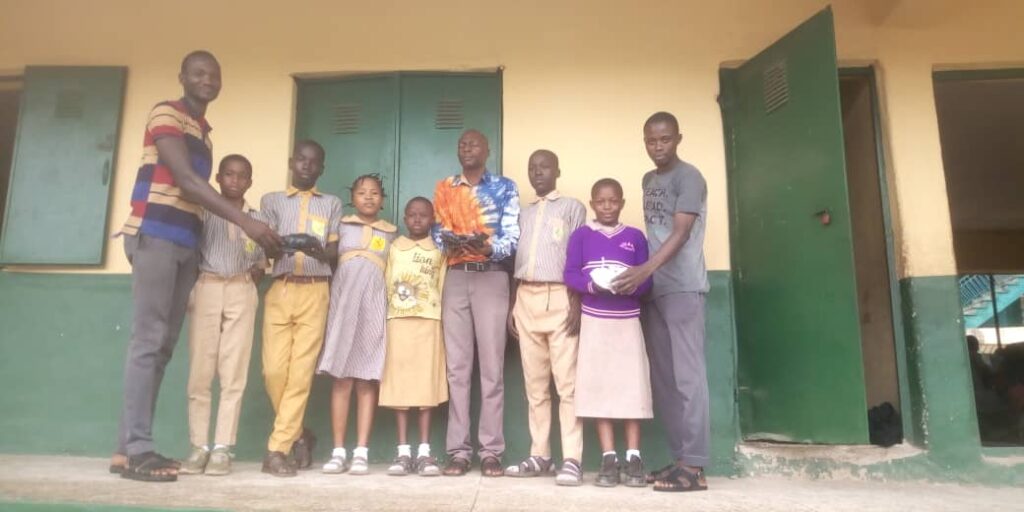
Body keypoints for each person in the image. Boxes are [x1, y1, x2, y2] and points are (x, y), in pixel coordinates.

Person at [113, 50, 280, 482]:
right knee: (149, 341)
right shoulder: (165, 113)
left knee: (163, 346)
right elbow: (187, 181)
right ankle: (137, 450)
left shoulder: (204, 133)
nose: (207, 80)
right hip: (156, 234)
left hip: (186, 242)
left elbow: (193, 194)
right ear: (182, 76)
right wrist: (248, 223)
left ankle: (126, 448)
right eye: (199, 73)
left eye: (214, 75)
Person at [613, 111, 710, 492]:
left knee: (689, 378)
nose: (658, 147)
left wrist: (644, 269)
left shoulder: (691, 177)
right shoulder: (648, 179)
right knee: (666, 381)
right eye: (651, 141)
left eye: (665, 139)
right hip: (653, 289)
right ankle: (681, 460)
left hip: (683, 286)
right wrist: (644, 276)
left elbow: (682, 232)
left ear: (678, 138)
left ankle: (696, 466)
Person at [432, 129, 520, 477]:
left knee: (492, 369)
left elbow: (512, 238)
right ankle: (458, 451)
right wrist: (449, 241)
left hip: (491, 275)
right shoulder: (445, 187)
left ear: (488, 149)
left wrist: (488, 248)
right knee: (457, 368)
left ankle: (491, 452)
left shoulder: (504, 187)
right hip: (456, 278)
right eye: (461, 144)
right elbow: (439, 231)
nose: (466, 148)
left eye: (473, 143)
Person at [259, 140, 342, 477]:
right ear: (292, 162)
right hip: (280, 288)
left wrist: (315, 250)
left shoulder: (332, 204)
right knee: (273, 372)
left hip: (316, 290)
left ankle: (276, 450)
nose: (307, 166)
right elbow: (262, 250)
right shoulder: (271, 201)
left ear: (321, 168)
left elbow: (334, 255)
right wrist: (281, 246)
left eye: (314, 162)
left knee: (300, 375)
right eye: (302, 160)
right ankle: (300, 433)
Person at [179, 155, 266, 476]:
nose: (235, 181)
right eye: (229, 174)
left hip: (242, 289)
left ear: (250, 182)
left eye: (242, 176)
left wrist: (246, 284)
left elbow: (260, 261)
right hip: (207, 286)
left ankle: (222, 448)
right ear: (217, 177)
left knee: (234, 372)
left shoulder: (256, 219)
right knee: (201, 370)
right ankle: (199, 445)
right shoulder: (204, 214)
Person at [565, 178, 653, 488]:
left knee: (632, 386)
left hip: (627, 319)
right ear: (592, 204)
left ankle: (633, 455)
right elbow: (570, 273)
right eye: (601, 202)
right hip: (594, 319)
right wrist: (591, 285)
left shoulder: (634, 237)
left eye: (613, 201)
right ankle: (609, 457)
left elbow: (647, 281)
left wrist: (631, 285)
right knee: (599, 386)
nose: (606, 207)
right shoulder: (582, 236)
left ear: (621, 203)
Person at [506, 150, 587, 485]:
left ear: (557, 170)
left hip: (561, 297)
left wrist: (578, 302)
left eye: (544, 167)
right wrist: (514, 304)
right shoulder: (522, 214)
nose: (537, 173)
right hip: (526, 297)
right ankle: (540, 455)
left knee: (567, 384)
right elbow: (516, 260)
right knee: (535, 386)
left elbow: (580, 255)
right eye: (532, 168)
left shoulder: (572, 208)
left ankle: (572, 458)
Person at [317, 174, 396, 475]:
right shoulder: (341, 226)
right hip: (344, 305)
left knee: (366, 379)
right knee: (341, 379)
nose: (368, 197)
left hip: (374, 307)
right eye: (362, 192)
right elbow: (330, 260)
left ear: (382, 199)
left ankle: (361, 450)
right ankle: (338, 450)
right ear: (353, 196)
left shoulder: (391, 233)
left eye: (374, 193)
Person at [379, 197, 449, 477]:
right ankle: (403, 450)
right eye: (412, 215)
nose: (418, 219)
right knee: (400, 388)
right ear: (405, 218)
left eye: (423, 215)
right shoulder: (395, 247)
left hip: (429, 323)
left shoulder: (438, 249)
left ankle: (423, 450)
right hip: (399, 322)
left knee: (425, 387)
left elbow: (442, 284)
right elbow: (386, 281)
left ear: (432, 219)